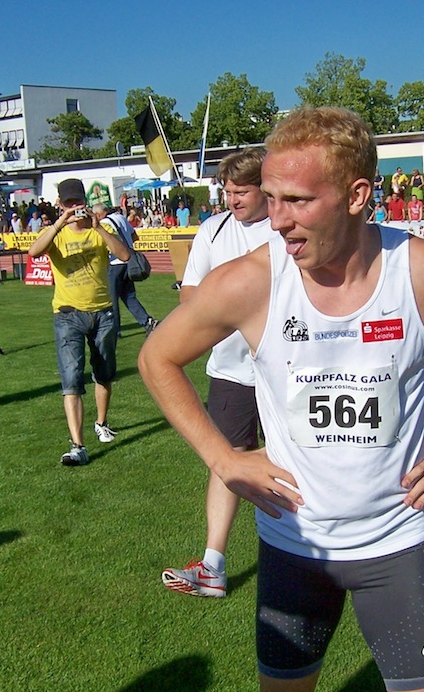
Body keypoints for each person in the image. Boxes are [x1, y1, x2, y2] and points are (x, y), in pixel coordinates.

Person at [139, 106, 424, 692]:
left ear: (356, 196)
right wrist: (222, 457)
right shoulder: (251, 282)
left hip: (396, 543)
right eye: (270, 198)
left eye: (296, 200)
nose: (277, 218)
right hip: (295, 546)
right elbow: (158, 357)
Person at [161, 147, 278, 598]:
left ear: (265, 189)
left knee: (294, 457)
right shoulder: (213, 230)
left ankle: (312, 557)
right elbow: (190, 295)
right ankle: (213, 565)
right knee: (227, 458)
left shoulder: (285, 227)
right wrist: (225, 315)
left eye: (241, 192)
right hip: (230, 371)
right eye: (227, 192)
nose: (232, 200)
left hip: (285, 369)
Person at [27, 178, 131, 466]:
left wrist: (99, 227)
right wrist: (60, 223)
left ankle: (101, 422)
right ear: (60, 204)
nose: (75, 208)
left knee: (104, 372)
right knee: (71, 380)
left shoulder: (101, 229)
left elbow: (124, 255)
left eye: (78, 202)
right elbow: (34, 252)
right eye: (69, 203)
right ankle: (78, 445)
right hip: (67, 314)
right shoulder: (55, 233)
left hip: (103, 312)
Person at [91, 204, 159, 337]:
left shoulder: (103, 225)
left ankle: (114, 330)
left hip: (114, 263)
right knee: (129, 296)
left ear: (98, 215)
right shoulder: (120, 217)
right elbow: (134, 236)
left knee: (112, 299)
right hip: (128, 262)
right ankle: (147, 321)